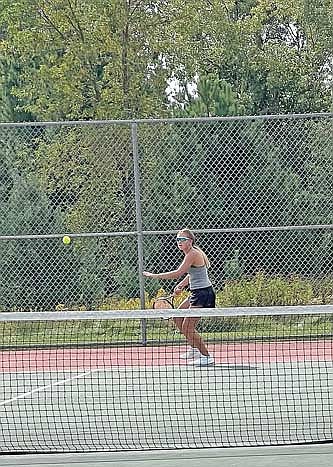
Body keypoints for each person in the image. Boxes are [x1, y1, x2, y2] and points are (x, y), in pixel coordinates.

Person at [143, 229, 215, 366]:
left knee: (187, 327)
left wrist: (155, 276)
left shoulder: (193, 253)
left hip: (203, 294)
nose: (179, 242)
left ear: (190, 241)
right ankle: (194, 349)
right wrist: (181, 286)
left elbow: (177, 273)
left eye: (182, 240)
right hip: (196, 293)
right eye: (177, 240)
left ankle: (206, 356)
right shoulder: (190, 253)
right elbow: (192, 274)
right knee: (177, 317)